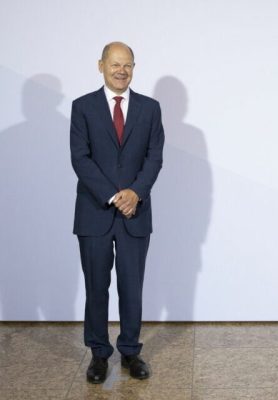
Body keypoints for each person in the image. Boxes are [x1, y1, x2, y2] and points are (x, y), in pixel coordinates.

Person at [70, 42, 165, 383]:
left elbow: (155, 157)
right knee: (97, 286)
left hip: (136, 213)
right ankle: (98, 354)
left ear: (134, 68)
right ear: (101, 66)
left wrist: (135, 193)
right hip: (95, 212)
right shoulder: (82, 107)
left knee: (131, 285)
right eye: (115, 64)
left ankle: (130, 351)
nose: (121, 70)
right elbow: (80, 158)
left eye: (128, 65)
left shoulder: (150, 108)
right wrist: (114, 195)